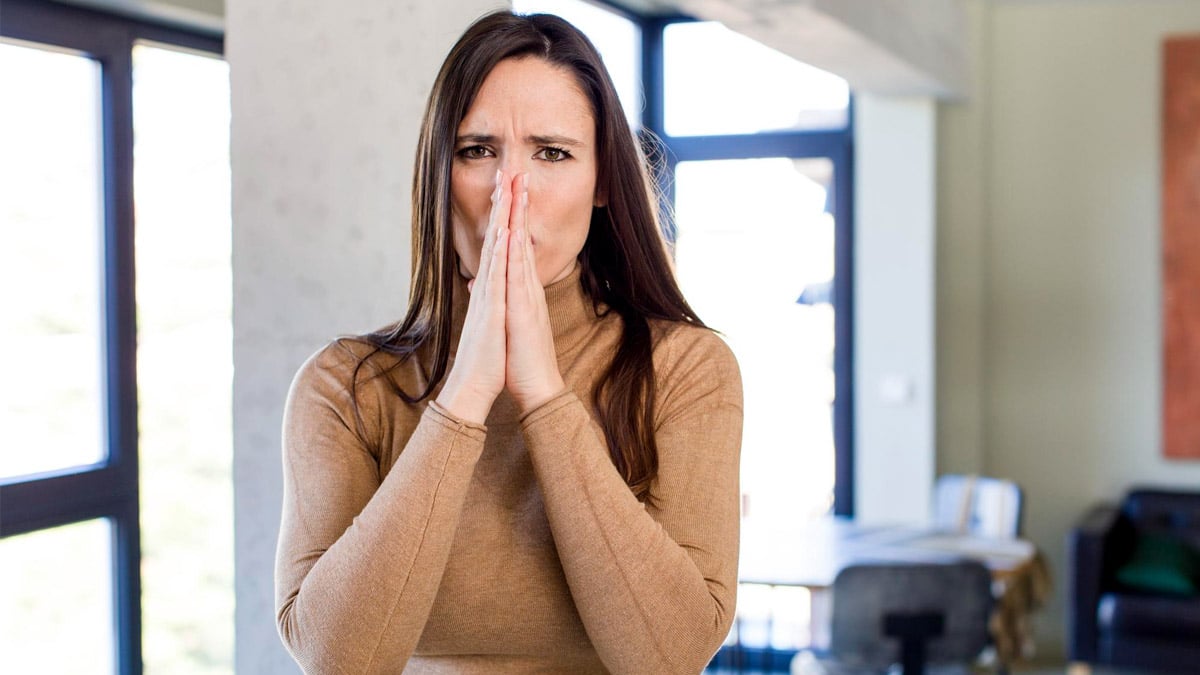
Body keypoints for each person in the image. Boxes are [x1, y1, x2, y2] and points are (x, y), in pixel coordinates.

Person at [275, 10, 743, 674]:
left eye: (551, 152)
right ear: (440, 172)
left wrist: (545, 397)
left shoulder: (685, 368)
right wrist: (462, 396)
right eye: (477, 150)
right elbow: (336, 657)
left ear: (603, 180)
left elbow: (670, 655)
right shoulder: (345, 386)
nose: (509, 192)